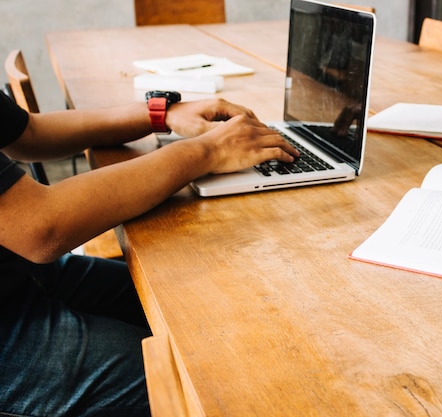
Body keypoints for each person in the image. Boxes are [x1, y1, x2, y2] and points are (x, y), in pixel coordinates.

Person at [0, 90, 299, 417]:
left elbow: (29, 133)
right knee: (218, 388)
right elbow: (41, 227)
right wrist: (208, 150)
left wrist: (160, 114)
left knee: (216, 305)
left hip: (24, 276)